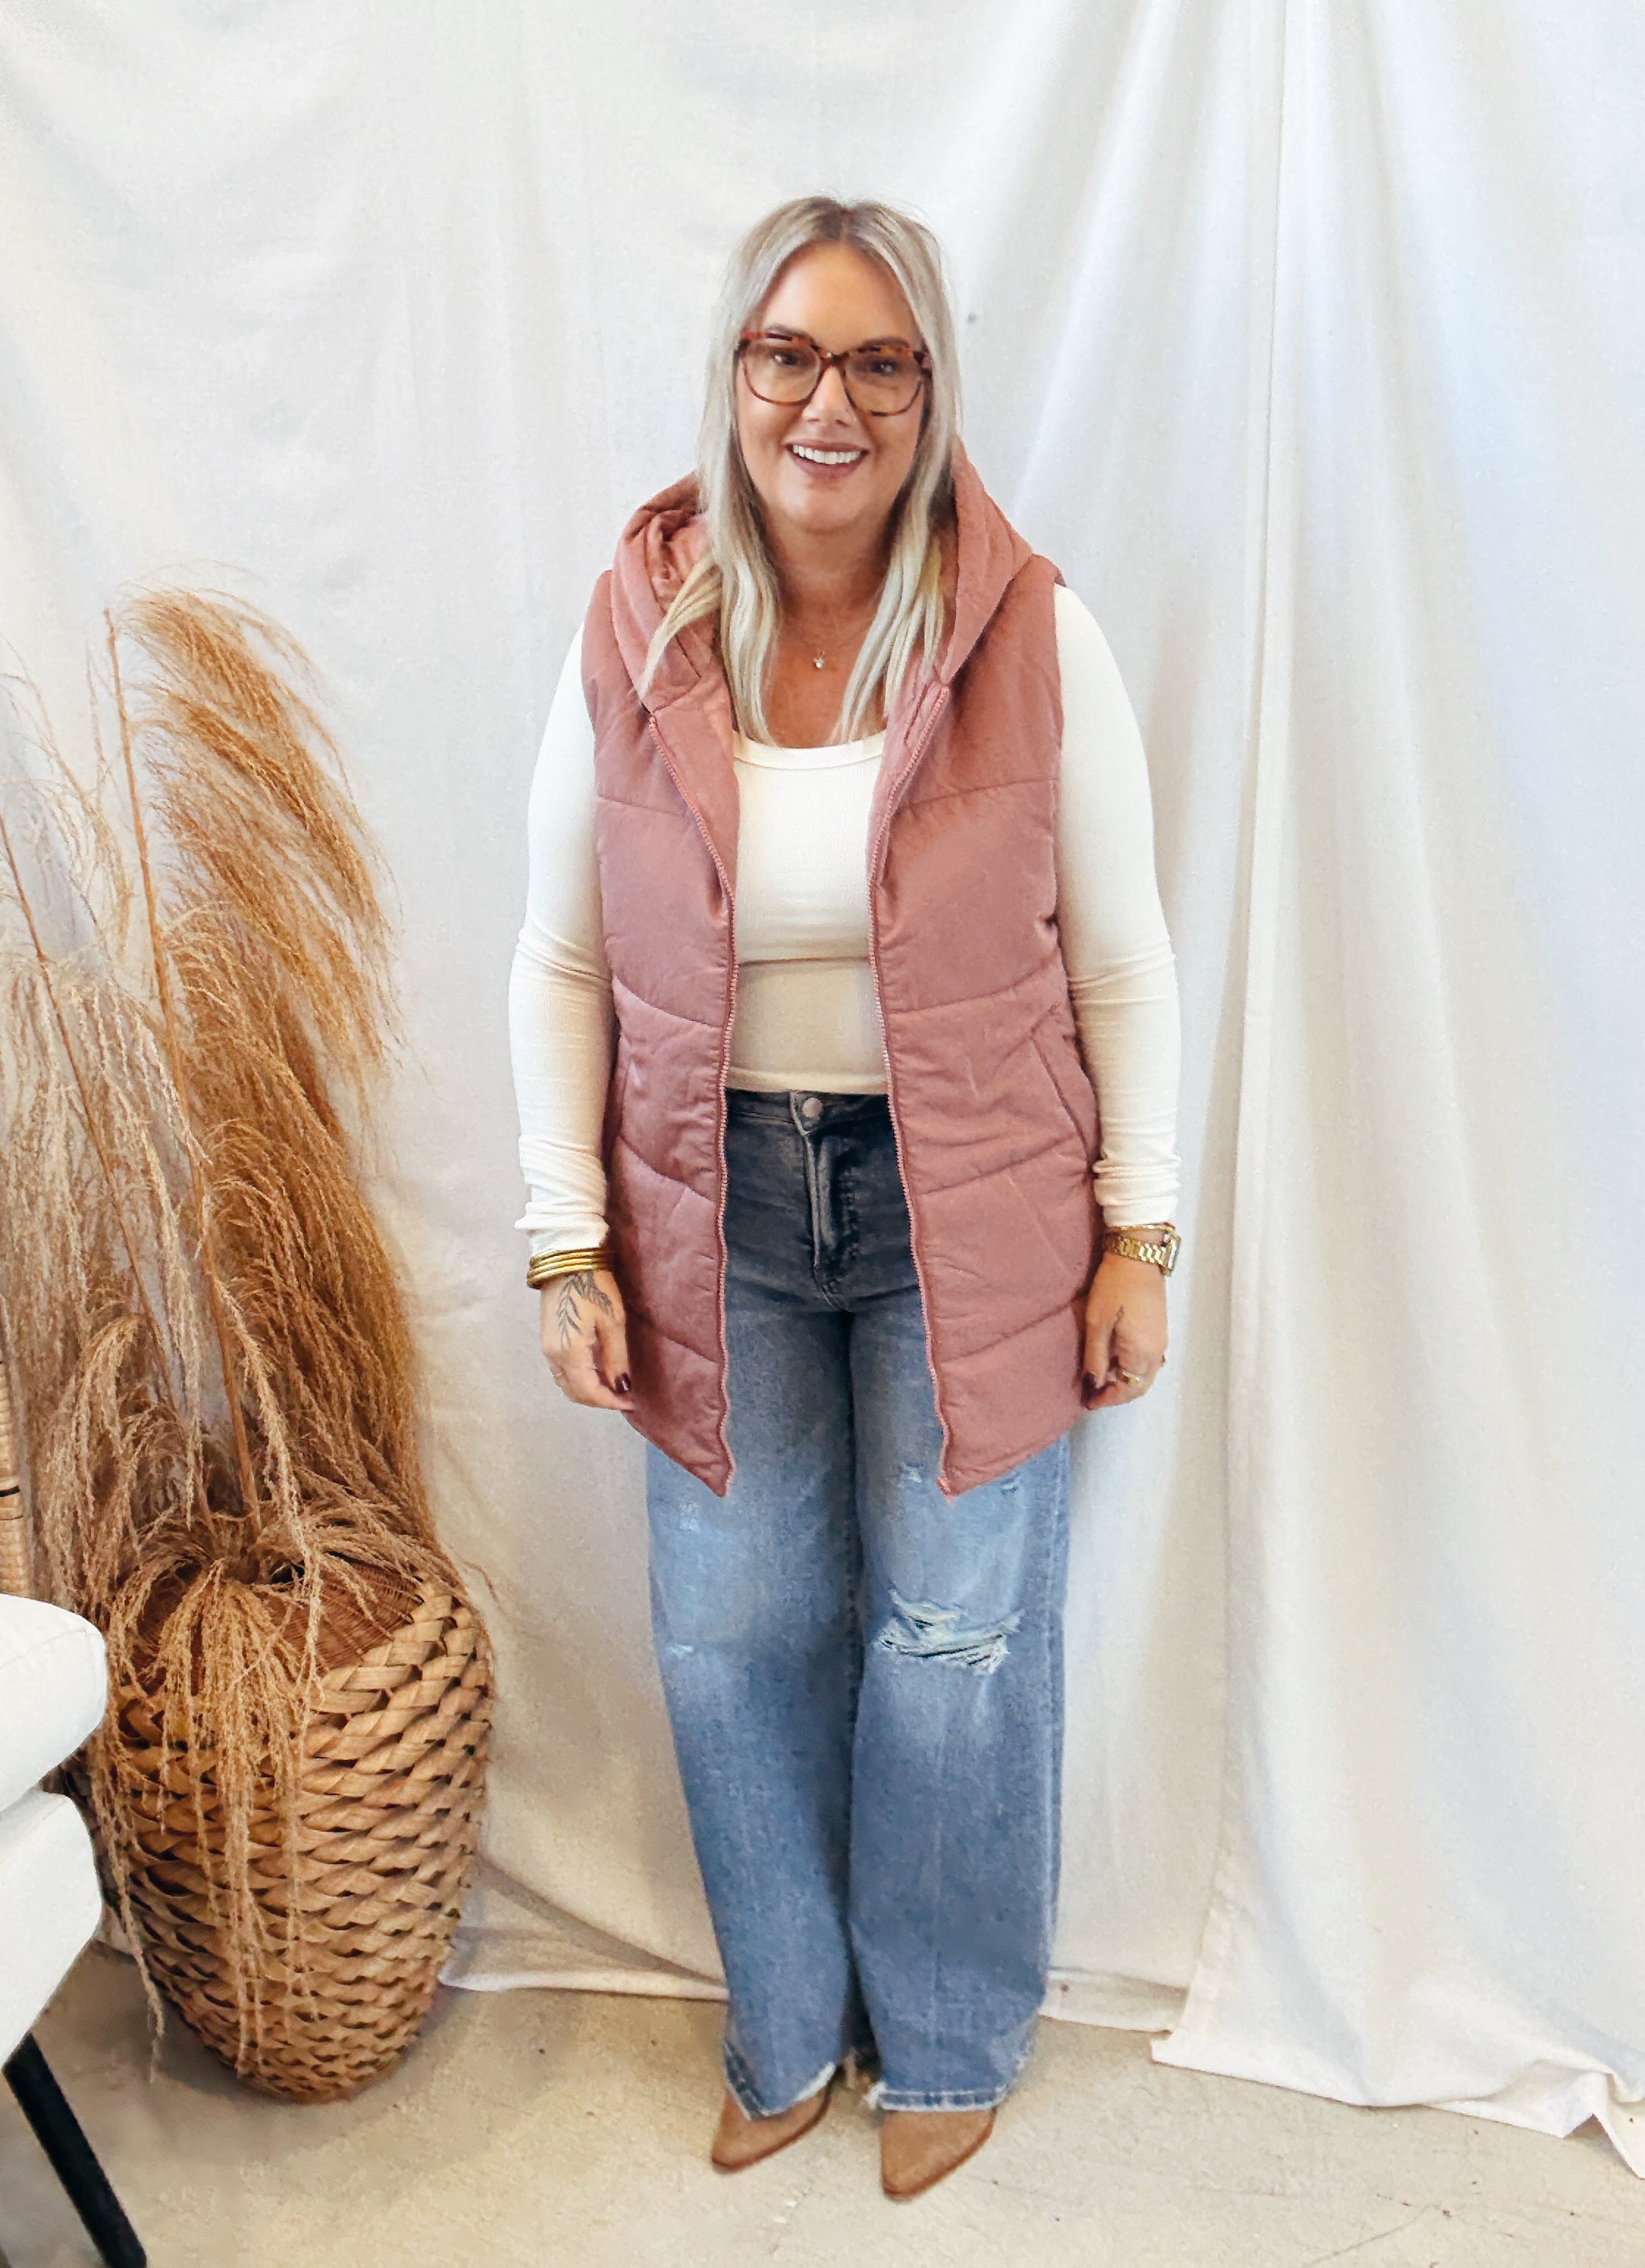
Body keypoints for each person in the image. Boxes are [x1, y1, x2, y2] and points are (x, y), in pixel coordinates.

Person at [509, 195, 1181, 2201]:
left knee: (956, 1636)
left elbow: (1122, 958)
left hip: (963, 1203)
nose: (830, 400)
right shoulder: (639, 626)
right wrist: (566, 1234)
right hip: (710, 1199)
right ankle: (785, 2019)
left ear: (928, 391)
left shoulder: (1030, 632)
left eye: (878, 361)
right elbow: (555, 950)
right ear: (733, 379)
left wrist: (1137, 1230)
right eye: (787, 354)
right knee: (729, 1631)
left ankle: (953, 2031)